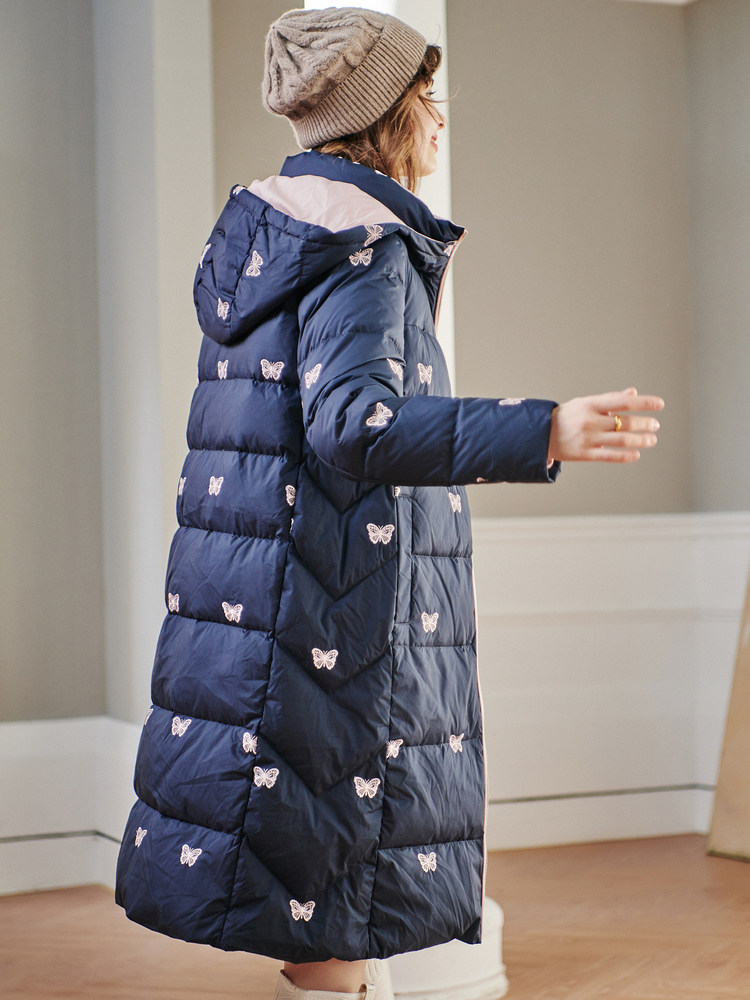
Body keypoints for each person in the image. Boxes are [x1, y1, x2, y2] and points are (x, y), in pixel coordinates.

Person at [114, 7, 664, 1000]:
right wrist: (544, 429)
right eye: (428, 97)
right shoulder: (364, 243)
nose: (441, 118)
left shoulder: (271, 234)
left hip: (273, 595)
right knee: (334, 884)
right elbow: (357, 426)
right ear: (389, 115)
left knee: (310, 885)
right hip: (339, 605)